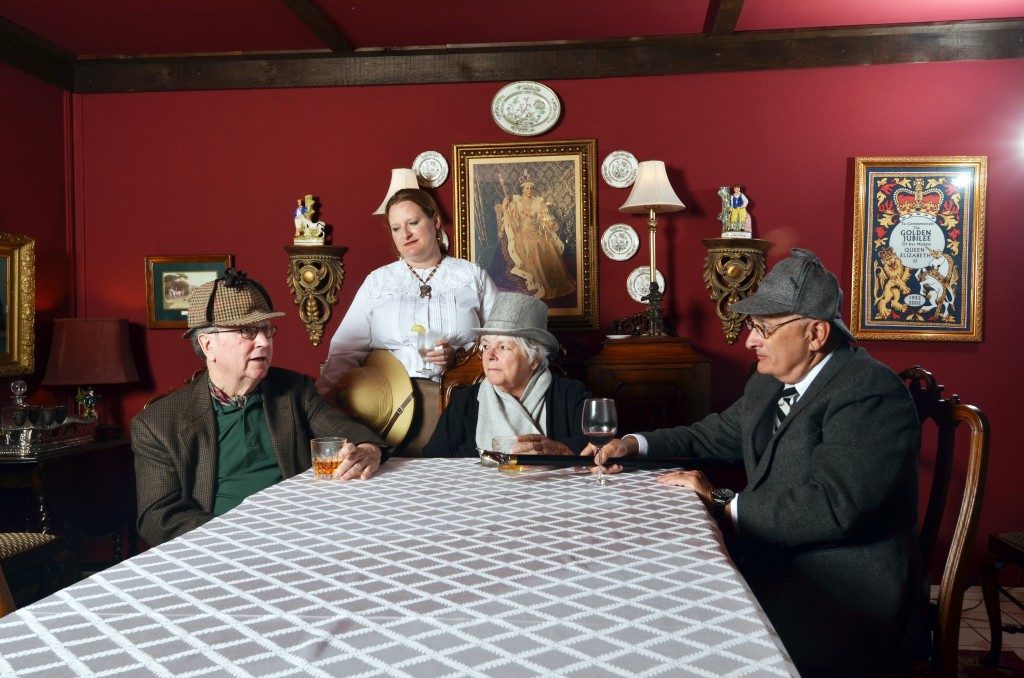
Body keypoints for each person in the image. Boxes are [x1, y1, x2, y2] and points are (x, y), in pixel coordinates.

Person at [590, 248, 927, 675]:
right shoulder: (771, 383)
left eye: (763, 328)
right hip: (776, 566)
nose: (749, 340)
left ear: (816, 334)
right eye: (752, 326)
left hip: (847, 596)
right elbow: (710, 435)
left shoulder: (869, 393)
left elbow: (832, 507)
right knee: (651, 609)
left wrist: (720, 500)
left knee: (700, 644)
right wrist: (633, 444)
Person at [132, 269, 387, 547]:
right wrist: (241, 535)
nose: (264, 342)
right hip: (221, 547)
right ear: (208, 345)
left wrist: (368, 450)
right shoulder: (157, 423)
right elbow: (158, 518)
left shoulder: (293, 390)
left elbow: (346, 431)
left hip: (305, 534)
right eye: (247, 331)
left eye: (267, 329)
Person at [317, 188, 498, 454]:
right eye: (396, 228)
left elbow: (502, 343)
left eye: (413, 223)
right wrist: (324, 400)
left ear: (435, 222)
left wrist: (458, 358)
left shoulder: (471, 277)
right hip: (387, 404)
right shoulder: (379, 282)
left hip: (461, 402)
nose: (406, 234)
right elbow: (345, 349)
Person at [425, 292, 589, 457]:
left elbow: (600, 449)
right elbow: (432, 462)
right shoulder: (464, 402)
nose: (490, 355)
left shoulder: (571, 395)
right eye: (486, 346)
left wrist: (560, 449)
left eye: (503, 347)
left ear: (535, 359)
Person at [496, 175, 576, 300]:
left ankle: (551, 282)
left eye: (531, 188)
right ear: (522, 190)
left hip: (535, 232)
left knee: (546, 242)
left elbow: (544, 219)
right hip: (522, 234)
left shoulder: (538, 202)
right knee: (532, 243)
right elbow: (513, 222)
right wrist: (506, 208)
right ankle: (538, 280)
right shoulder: (516, 203)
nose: (530, 191)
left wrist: (550, 224)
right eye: (527, 188)